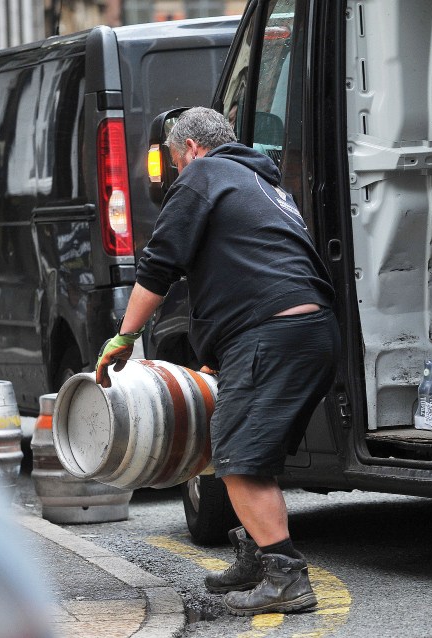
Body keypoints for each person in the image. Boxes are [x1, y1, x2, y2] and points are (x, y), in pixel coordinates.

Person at [94, 107, 339, 616]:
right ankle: (254, 561)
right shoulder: (263, 185)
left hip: (274, 331)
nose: (178, 176)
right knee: (255, 453)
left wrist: (124, 336)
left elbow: (160, 264)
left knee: (238, 458)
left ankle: (285, 577)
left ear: (190, 150)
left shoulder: (204, 174)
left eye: (176, 164)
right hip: (311, 332)